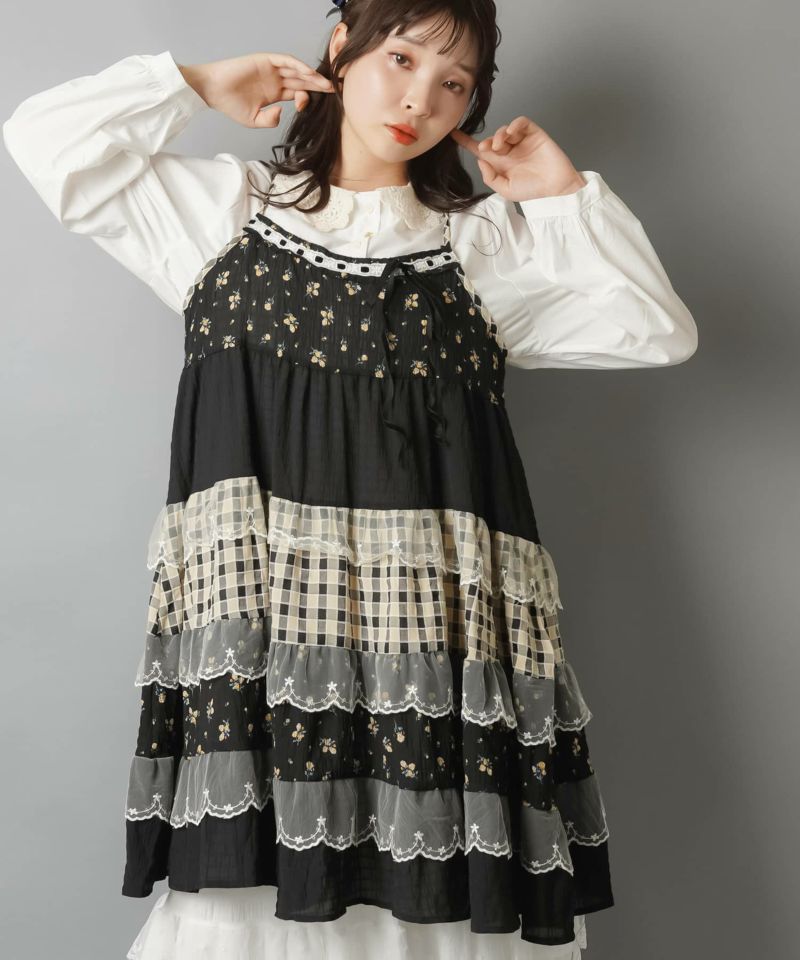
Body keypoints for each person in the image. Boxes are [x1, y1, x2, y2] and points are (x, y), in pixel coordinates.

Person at [2, 1, 697, 957]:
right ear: (342, 48)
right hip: (269, 652)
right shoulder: (226, 217)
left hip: (436, 658)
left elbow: (656, 329)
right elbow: (42, 139)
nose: (419, 99)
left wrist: (563, 195)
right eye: (401, 58)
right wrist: (196, 83)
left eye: (453, 83)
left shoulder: (479, 249)